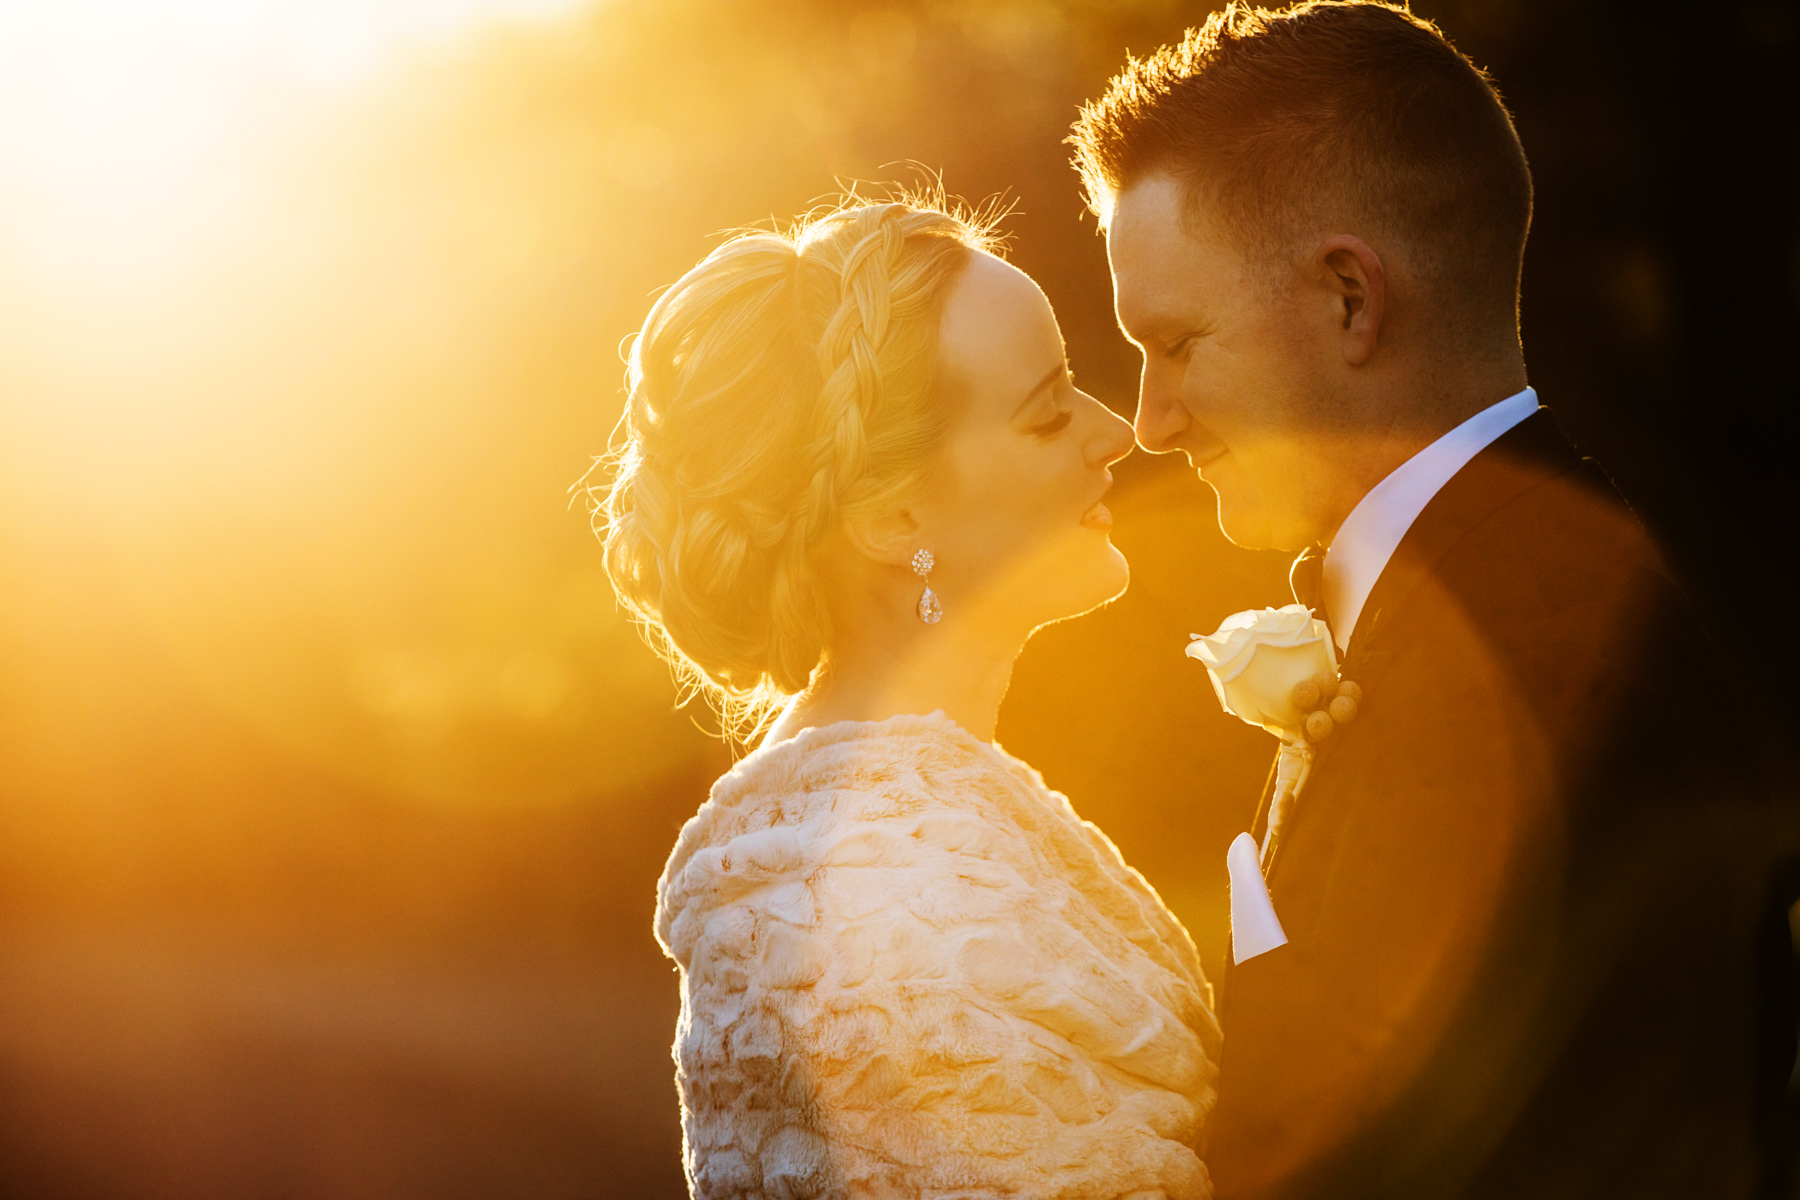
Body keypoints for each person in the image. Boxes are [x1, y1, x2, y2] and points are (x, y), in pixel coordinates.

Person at [1071, 2, 1789, 1197]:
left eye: (1179, 342)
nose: (1150, 420)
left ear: (1350, 298)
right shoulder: (1494, 596)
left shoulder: (1540, 655)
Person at [596, 197, 1221, 1198]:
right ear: (896, 515)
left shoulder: (912, 822)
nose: (1116, 433)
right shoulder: (882, 903)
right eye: (1049, 410)